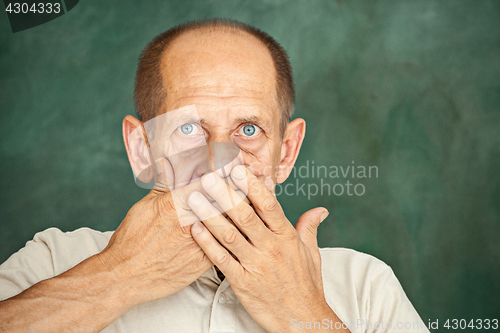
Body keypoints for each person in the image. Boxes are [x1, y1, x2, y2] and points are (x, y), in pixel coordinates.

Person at [0, 19, 429, 333]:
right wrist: (119, 277)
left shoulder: (365, 286)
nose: (220, 162)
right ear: (142, 148)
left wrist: (302, 312)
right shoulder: (54, 261)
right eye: (189, 129)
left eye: (248, 130)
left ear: (287, 152)